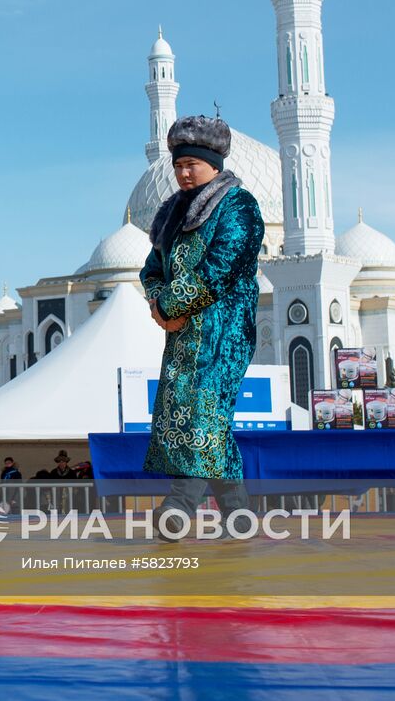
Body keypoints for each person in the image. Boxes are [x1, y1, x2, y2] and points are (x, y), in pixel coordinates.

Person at [141, 115, 264, 538]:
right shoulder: (173, 213)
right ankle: (238, 516)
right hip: (182, 334)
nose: (183, 173)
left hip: (223, 333)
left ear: (213, 163)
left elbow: (221, 268)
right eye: (178, 165)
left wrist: (173, 306)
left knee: (202, 415)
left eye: (191, 164)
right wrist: (159, 306)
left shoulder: (238, 206)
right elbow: (152, 267)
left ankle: (177, 506)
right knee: (206, 420)